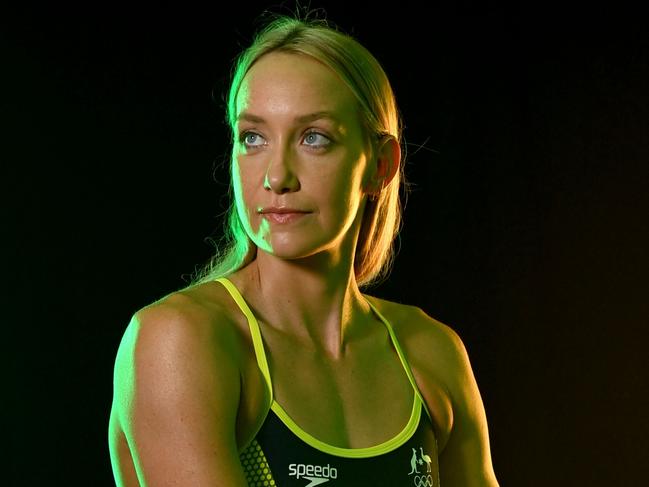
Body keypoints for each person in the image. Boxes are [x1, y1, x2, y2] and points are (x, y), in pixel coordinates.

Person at [108, 12, 499, 487]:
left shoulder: (431, 353)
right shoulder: (182, 340)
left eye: (314, 138)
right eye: (253, 138)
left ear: (380, 165)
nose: (277, 178)